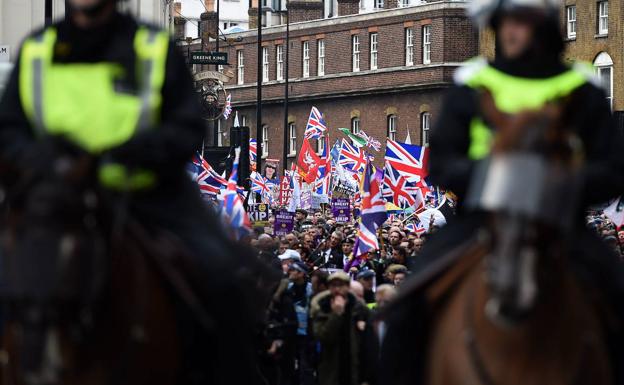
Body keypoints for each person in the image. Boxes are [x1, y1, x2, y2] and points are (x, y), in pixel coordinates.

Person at [0, 0, 272, 383]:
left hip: (145, 196)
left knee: (223, 275)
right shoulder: (37, 51)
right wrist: (49, 161)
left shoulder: (153, 48)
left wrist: (130, 154)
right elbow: (9, 129)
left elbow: (186, 125)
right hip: (56, 197)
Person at [381, 0, 624, 382]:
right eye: (505, 22)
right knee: (406, 306)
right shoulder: (473, 84)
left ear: (543, 26)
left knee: (616, 295)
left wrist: (560, 183)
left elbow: (612, 168)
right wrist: (495, 175)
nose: (512, 32)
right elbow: (442, 162)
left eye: (522, 22)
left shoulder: (581, 87)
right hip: (481, 219)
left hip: (561, 223)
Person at [310, 272, 376, 385]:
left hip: (354, 367)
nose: (337, 289)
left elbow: (369, 343)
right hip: (331, 369)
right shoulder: (322, 306)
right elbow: (322, 336)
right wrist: (336, 315)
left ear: (347, 287)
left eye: (340, 285)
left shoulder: (359, 308)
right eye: (333, 286)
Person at [286, 261, 315, 385]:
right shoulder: (287, 288)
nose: (289, 272)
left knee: (305, 367)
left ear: (301, 273)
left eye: (293, 270)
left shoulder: (311, 290)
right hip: (289, 332)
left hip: (306, 334)